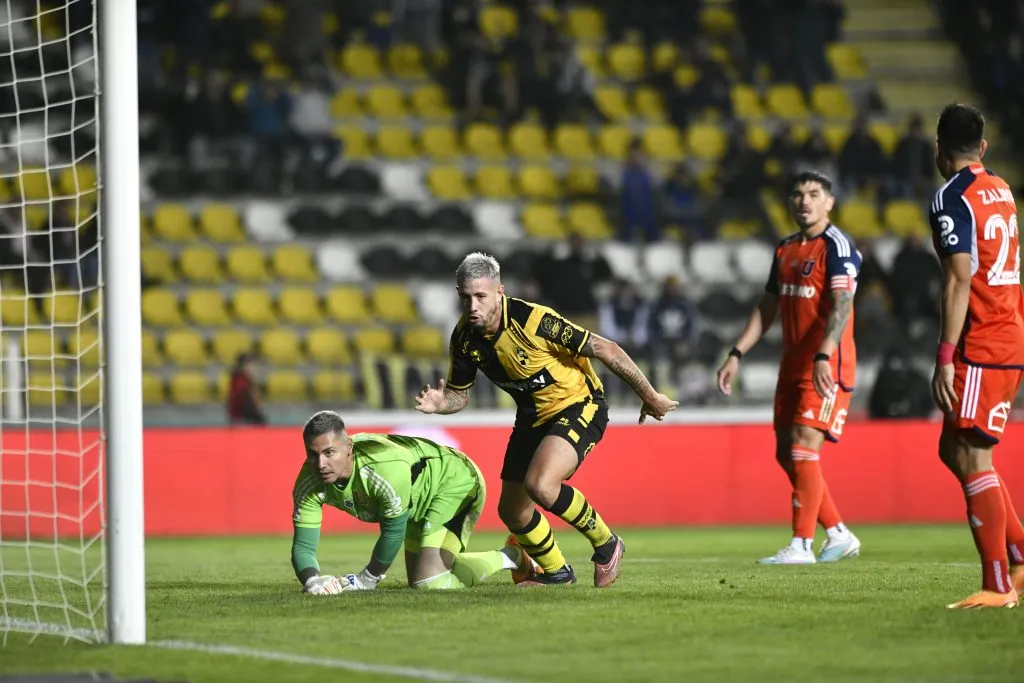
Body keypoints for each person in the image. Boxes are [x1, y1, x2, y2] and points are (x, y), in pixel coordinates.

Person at [414, 252, 678, 587]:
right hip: (531, 418)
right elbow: (458, 395)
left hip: (579, 405)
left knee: (541, 485)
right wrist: (442, 403)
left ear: (500, 292)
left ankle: (607, 542)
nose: (473, 306)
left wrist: (650, 396)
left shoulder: (535, 321)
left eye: (480, 296)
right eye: (465, 298)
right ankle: (557, 573)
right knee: (512, 511)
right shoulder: (464, 339)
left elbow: (606, 348)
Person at [716, 171, 862, 565]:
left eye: (814, 194)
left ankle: (801, 545)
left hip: (827, 363)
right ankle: (838, 532)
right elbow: (767, 308)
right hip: (792, 365)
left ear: (829, 202)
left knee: (802, 448)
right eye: (798, 194)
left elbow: (843, 304)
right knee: (787, 453)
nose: (805, 201)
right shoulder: (785, 249)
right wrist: (737, 353)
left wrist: (823, 354)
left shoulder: (838, 247)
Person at [927, 103, 1024, 609]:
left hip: (982, 341)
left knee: (972, 455)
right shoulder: (1003, 188)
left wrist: (945, 355)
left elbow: (958, 277)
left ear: (939, 147)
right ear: (982, 147)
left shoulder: (951, 197)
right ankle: (1021, 557)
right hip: (1009, 330)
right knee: (955, 449)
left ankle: (997, 585)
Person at [291, 410, 539, 594]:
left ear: (348, 448)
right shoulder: (309, 481)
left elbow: (393, 533)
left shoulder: (383, 470)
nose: (320, 464)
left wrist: (367, 579)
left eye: (329, 453)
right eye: (312, 455)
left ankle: (512, 555)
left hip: (453, 481)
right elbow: (303, 545)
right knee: (420, 578)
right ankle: (496, 557)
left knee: (429, 582)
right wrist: (313, 581)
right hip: (415, 500)